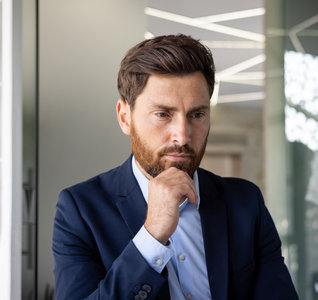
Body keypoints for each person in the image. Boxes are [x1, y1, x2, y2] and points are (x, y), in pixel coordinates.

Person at [53, 34, 298, 300]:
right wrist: (152, 236)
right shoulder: (80, 210)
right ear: (125, 118)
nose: (182, 136)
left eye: (197, 115)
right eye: (163, 114)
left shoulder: (245, 203)